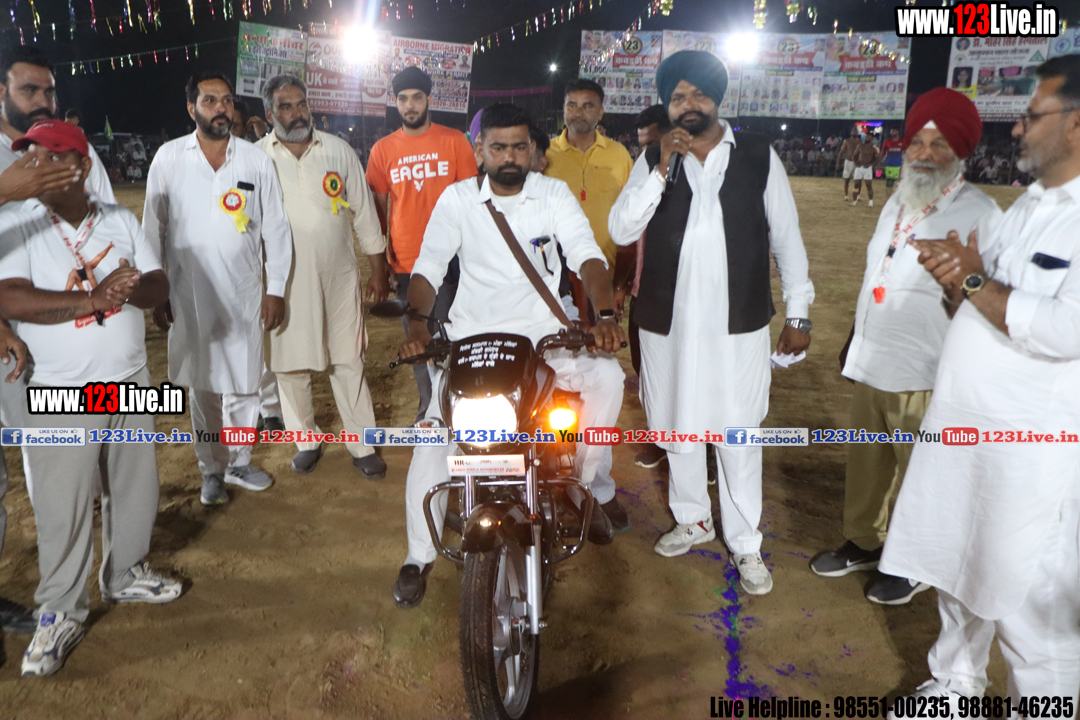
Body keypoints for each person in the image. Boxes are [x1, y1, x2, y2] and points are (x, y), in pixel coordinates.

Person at [881, 54, 1080, 702]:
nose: (1017, 128)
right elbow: (978, 301)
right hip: (966, 428)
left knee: (1029, 611)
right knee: (956, 564)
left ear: (1076, 123)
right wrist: (955, 281)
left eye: (1032, 115)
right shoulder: (1029, 207)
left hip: (1030, 449)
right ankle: (954, 686)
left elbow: (1066, 329)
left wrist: (970, 279)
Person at [391, 104, 626, 608]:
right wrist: (418, 325)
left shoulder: (552, 194)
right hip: (472, 340)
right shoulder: (457, 200)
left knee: (608, 379)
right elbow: (428, 268)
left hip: (545, 338)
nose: (510, 157)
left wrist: (605, 315)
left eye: (520, 147)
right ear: (480, 151)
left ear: (533, 149)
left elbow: (586, 255)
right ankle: (417, 556)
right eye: (498, 147)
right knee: (432, 438)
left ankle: (581, 485)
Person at [609, 51, 814, 595]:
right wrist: (659, 169)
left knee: (737, 431)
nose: (689, 105)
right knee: (677, 422)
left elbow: (787, 239)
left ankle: (745, 542)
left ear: (718, 98)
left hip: (737, 325)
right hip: (667, 323)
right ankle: (693, 519)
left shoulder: (758, 155)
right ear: (668, 105)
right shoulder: (653, 157)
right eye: (678, 97)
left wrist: (799, 312)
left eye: (699, 94)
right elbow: (622, 229)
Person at [0, 120, 181, 676]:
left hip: (130, 379)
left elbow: (159, 285)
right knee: (64, 504)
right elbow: (11, 297)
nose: (34, 166)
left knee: (135, 486)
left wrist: (133, 287)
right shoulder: (17, 221)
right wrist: (95, 299)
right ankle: (60, 610)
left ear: (81, 167)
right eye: (29, 157)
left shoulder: (120, 219)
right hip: (59, 389)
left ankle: (125, 572)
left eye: (48, 156)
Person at [811, 89, 1004, 605]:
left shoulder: (982, 214)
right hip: (875, 359)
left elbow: (994, 300)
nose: (923, 154)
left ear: (960, 152)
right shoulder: (899, 201)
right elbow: (879, 273)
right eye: (917, 142)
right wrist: (855, 342)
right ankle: (863, 542)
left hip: (929, 371)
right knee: (866, 465)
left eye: (939, 144)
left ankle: (919, 563)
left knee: (926, 476)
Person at [143, 71, 292, 505]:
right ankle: (212, 469)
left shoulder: (254, 160)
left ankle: (240, 462)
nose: (221, 108)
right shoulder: (169, 158)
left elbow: (276, 229)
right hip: (187, 295)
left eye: (226, 100)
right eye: (210, 101)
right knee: (202, 384)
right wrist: (157, 288)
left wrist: (275, 289)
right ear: (192, 108)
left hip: (244, 294)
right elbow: (152, 229)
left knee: (245, 382)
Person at [256, 75, 389, 478]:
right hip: (280, 284)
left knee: (348, 359)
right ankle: (306, 441)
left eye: (301, 104)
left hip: (338, 278)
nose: (297, 113)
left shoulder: (337, 150)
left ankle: (363, 444)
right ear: (269, 114)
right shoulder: (255, 158)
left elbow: (364, 212)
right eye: (286, 107)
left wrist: (378, 271)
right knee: (288, 366)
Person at [544, 78, 635, 532]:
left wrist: (617, 287)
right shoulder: (544, 155)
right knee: (555, 383)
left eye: (587, 105)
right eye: (571, 104)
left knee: (601, 379)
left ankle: (597, 486)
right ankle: (548, 472)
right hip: (550, 282)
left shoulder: (619, 156)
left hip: (601, 286)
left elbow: (632, 223)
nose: (578, 112)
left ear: (601, 111)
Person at [366, 67, 477, 422]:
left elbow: (471, 201)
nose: (410, 105)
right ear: (395, 102)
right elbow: (378, 209)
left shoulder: (455, 141)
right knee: (417, 340)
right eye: (402, 99)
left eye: (416, 97)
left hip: (452, 258)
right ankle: (428, 411)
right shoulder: (382, 150)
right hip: (407, 261)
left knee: (453, 336)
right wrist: (381, 264)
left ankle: (457, 410)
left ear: (429, 99)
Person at [228, 92, 285, 434]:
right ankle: (238, 413)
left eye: (235, 126)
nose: (227, 132)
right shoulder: (195, 164)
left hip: (257, 266)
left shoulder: (258, 160)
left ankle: (271, 409)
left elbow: (275, 222)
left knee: (260, 339)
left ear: (245, 127)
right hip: (215, 272)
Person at [624, 103, 673, 471]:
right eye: (642, 146)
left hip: (680, 299)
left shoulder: (692, 185)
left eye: (653, 145)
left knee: (688, 376)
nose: (647, 154)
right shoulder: (642, 176)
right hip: (643, 294)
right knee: (648, 373)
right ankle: (659, 438)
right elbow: (627, 234)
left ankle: (701, 448)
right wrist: (624, 284)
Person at [850, 134, 881, 207]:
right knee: (856, 184)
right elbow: (854, 156)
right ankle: (854, 201)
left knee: (868, 185)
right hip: (859, 167)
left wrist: (871, 164)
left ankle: (871, 201)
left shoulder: (873, 148)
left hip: (867, 168)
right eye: (866, 137)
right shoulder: (860, 146)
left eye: (868, 137)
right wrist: (856, 163)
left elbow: (877, 159)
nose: (867, 138)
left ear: (871, 139)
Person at [836, 126, 862, 201]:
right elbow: (841, 152)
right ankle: (846, 196)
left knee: (858, 180)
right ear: (851, 132)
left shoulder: (860, 142)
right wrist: (838, 162)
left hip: (857, 162)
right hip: (848, 161)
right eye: (853, 131)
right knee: (846, 179)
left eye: (855, 131)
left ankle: (858, 196)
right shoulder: (847, 141)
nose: (854, 132)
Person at [879, 126, 904, 198]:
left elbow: (906, 153)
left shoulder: (903, 141)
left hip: (899, 165)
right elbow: (883, 152)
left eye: (893, 131)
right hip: (889, 164)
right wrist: (880, 162)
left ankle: (897, 199)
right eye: (891, 131)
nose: (891, 132)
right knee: (889, 182)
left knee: (898, 182)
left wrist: (903, 164)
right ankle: (888, 198)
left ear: (897, 131)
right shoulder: (887, 141)